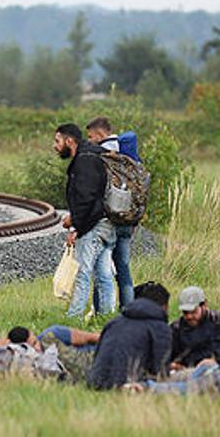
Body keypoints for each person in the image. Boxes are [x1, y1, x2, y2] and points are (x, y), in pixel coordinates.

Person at [53, 123, 116, 316]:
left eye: (57, 141)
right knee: (103, 273)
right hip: (108, 221)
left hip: (94, 225)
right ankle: (106, 315)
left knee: (82, 272)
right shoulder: (94, 155)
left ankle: (75, 315)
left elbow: (86, 198)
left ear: (69, 141)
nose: (55, 146)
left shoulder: (84, 161)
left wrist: (75, 227)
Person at [86, 281, 172, 391]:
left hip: (95, 382)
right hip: (126, 385)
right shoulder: (160, 327)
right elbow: (161, 371)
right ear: (164, 306)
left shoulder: (114, 323)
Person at [86, 116, 134, 311]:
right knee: (123, 267)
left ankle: (101, 311)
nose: (89, 140)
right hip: (127, 216)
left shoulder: (104, 153)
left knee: (101, 267)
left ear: (100, 134)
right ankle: (128, 309)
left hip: (108, 219)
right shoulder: (127, 150)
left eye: (90, 136)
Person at [0, 325, 100, 382]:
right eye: (31, 347)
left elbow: (92, 337)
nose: (37, 349)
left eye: (35, 343)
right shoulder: (25, 361)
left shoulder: (53, 334)